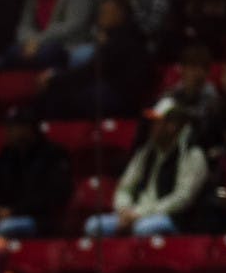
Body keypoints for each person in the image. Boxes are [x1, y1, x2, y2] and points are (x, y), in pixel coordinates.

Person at [84, 98, 207, 238]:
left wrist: (141, 213)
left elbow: (182, 198)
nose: (152, 127)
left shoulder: (191, 155)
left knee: (143, 229)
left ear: (172, 125)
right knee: (94, 226)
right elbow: (125, 187)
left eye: (157, 122)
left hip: (171, 218)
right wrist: (125, 210)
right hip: (135, 213)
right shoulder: (146, 152)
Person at [0, 106, 72, 241]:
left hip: (37, 218)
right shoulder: (6, 156)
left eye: (14, 127)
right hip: (4, 215)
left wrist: (14, 211)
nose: (8, 132)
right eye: (8, 127)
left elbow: (51, 197)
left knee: (7, 228)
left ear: (29, 128)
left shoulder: (52, 155)